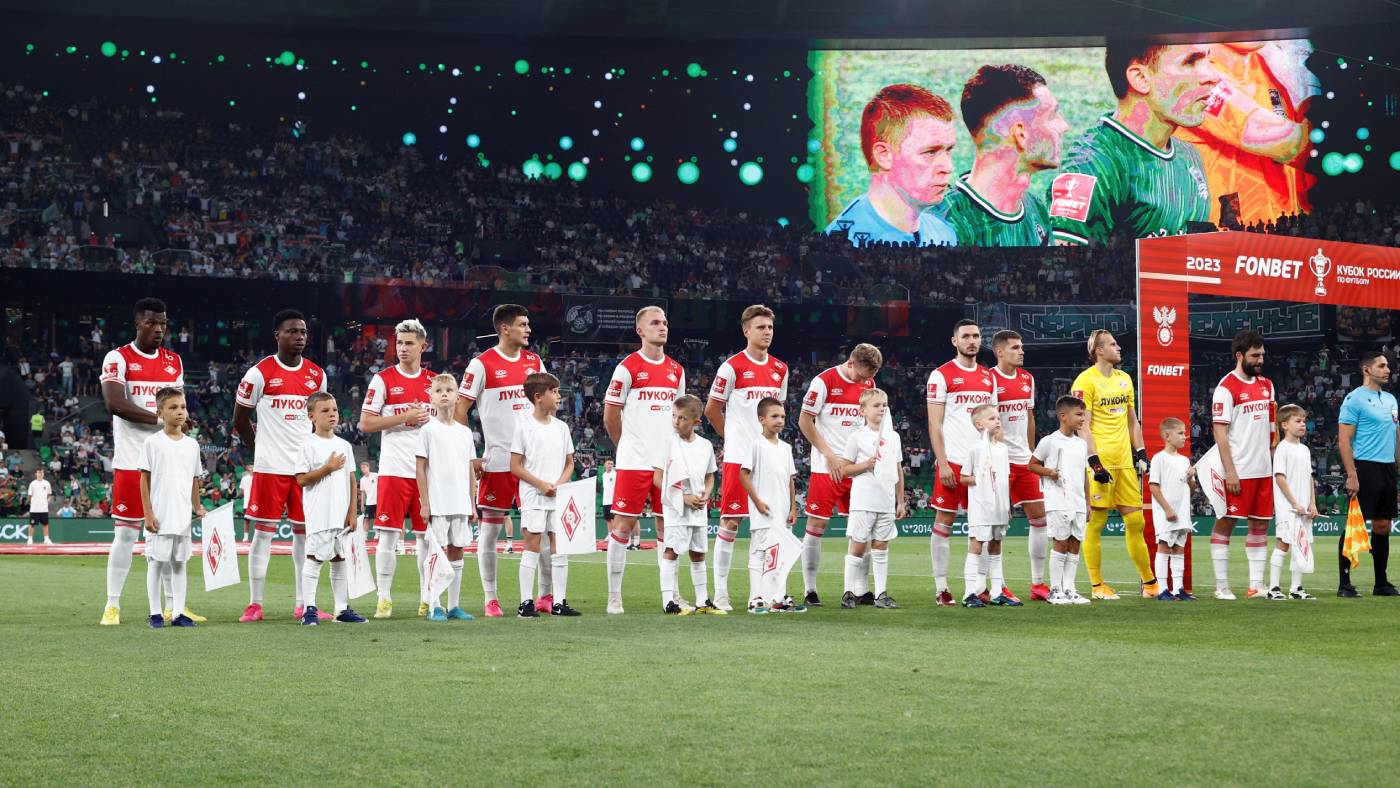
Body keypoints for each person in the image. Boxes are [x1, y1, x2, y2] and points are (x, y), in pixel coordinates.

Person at [1048, 39, 1218, 245]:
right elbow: (1062, 262)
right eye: (1190, 61)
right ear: (1140, 78)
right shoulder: (1090, 168)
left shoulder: (1189, 157)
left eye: (1209, 60)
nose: (1213, 76)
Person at [99, 297, 192, 627]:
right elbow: (114, 403)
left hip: (168, 463)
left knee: (170, 536)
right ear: (138, 323)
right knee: (125, 536)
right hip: (132, 461)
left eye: (163, 323)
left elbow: (176, 405)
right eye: (152, 322)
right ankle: (112, 605)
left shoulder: (173, 361)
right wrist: (160, 419)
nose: (159, 328)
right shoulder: (119, 358)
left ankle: (174, 607)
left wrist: (180, 420)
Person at [232, 308, 329, 623]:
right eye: (291, 331)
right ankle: (255, 604)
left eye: (303, 331)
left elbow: (320, 420)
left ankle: (304, 603)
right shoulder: (259, 373)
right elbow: (240, 419)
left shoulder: (317, 375)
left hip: (305, 470)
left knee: (305, 536)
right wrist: (259, 449)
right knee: (262, 535)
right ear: (277, 335)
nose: (299, 337)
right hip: (270, 468)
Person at [455, 304, 548, 617]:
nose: (528, 329)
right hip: (498, 462)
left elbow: (546, 407)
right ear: (505, 328)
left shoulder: (534, 362)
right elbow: (460, 410)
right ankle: (490, 598)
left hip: (534, 463)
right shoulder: (481, 364)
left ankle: (545, 595)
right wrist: (470, 454)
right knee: (491, 531)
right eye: (523, 324)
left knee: (541, 530)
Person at [1174, 40, 1316, 226]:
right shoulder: (1196, 75)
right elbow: (1284, 142)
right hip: (1224, 230)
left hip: (1281, 225)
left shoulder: (1265, 67)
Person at [603, 306, 686, 615]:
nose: (662, 327)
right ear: (640, 330)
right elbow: (610, 415)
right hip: (634, 462)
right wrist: (625, 447)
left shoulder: (677, 370)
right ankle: (614, 597)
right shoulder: (627, 368)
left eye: (664, 322)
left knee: (669, 528)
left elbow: (680, 416)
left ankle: (672, 595)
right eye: (654, 323)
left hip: (667, 462)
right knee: (623, 526)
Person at [706, 304, 788, 612]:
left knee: (770, 525)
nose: (767, 332)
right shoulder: (732, 367)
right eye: (761, 327)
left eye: (770, 327)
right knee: (730, 522)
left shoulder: (780, 368)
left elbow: (776, 411)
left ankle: (766, 593)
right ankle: (721, 593)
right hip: (740, 458)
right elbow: (712, 409)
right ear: (746, 331)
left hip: (770, 460)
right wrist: (733, 440)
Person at [1071, 329, 1157, 599]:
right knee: (1096, 523)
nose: (1118, 348)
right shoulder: (1085, 381)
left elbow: (1132, 420)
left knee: (1136, 521)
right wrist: (1094, 462)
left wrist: (1141, 452)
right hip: (1100, 463)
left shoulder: (1124, 379)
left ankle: (1150, 584)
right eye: (1113, 344)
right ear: (1099, 350)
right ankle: (1097, 586)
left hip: (1124, 463)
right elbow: (1082, 425)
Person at [359, 318, 436, 619]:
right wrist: (405, 418)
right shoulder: (383, 380)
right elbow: (366, 423)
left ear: (423, 346)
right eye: (399, 343)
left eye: (409, 343)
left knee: (426, 539)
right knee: (388, 537)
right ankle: (384, 598)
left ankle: (427, 598)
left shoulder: (435, 382)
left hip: (427, 473)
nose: (403, 348)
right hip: (393, 470)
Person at [941, 64, 1067, 246]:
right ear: (1021, 134)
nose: (1064, 126)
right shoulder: (945, 225)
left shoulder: (1035, 208)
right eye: (1052, 116)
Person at [797, 343, 883, 606]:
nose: (864, 380)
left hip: (858, 469)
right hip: (827, 467)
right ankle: (810, 590)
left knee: (862, 528)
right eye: (862, 374)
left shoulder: (868, 383)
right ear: (851, 362)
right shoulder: (824, 382)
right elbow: (804, 421)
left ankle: (860, 589)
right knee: (816, 526)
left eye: (870, 376)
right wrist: (830, 455)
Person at [824, 84, 957, 247]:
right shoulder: (841, 244)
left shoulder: (944, 234)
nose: (948, 167)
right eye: (930, 152)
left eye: (948, 150)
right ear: (884, 155)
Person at [926, 319, 996, 605]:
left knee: (982, 526)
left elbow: (993, 422)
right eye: (966, 336)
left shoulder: (988, 376)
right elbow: (935, 422)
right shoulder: (941, 375)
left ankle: (978, 587)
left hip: (982, 464)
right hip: (953, 461)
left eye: (976, 336)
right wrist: (942, 462)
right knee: (944, 521)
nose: (972, 341)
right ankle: (941, 588)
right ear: (954, 341)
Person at [1201, 330, 1275, 600]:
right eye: (1255, 355)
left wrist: (1274, 461)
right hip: (1238, 470)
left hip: (1263, 469)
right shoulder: (1226, 387)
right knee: (1226, 521)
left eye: (1262, 355)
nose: (1260, 360)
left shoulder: (1267, 385)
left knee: (1260, 525)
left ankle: (1256, 585)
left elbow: (1272, 428)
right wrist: (1230, 471)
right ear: (1240, 355)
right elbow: (1220, 433)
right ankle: (1221, 586)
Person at [509, 372, 580, 618]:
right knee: (532, 547)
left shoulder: (562, 428)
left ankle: (559, 602)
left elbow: (570, 463)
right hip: (533, 496)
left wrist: (558, 485)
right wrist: (541, 485)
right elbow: (515, 465)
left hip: (557, 497)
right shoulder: (523, 427)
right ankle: (525, 603)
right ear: (539, 397)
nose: (559, 396)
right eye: (554, 392)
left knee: (559, 548)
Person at [294, 392, 366, 625]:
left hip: (340, 514)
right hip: (319, 513)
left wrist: (352, 512)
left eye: (334, 409)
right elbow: (301, 480)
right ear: (312, 416)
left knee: (339, 558)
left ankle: (341, 609)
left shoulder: (344, 445)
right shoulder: (307, 445)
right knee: (314, 558)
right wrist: (328, 467)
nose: (332, 414)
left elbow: (352, 479)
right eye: (325, 410)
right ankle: (309, 610)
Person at [138, 388, 205, 628]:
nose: (180, 412)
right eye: (173, 407)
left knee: (180, 563)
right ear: (160, 413)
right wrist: (148, 513)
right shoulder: (152, 442)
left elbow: (194, 479)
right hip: (160, 515)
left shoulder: (192, 445)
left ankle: (178, 613)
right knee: (155, 563)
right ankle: (155, 613)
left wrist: (197, 507)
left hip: (182, 516)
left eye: (183, 407)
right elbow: (144, 479)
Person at [415, 374, 478, 621]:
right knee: (436, 554)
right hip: (438, 503)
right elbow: (420, 468)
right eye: (439, 390)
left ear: (457, 396)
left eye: (449, 390)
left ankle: (454, 606)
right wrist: (425, 502)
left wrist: (472, 503)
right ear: (431, 397)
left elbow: (470, 470)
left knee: (457, 552)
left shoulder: (465, 432)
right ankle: (434, 605)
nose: (444, 394)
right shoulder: (427, 430)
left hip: (460, 502)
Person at [1336, 350, 1399, 597]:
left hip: (1387, 467)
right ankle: (1344, 584)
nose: (1387, 370)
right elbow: (1344, 440)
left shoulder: (1391, 399)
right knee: (1355, 524)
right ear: (1367, 370)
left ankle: (1381, 583)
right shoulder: (1354, 399)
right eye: (1381, 366)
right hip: (1365, 466)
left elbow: (1396, 434)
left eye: (1388, 366)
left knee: (1383, 525)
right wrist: (1352, 474)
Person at [990, 330, 1047, 601]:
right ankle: (997, 585)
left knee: (1040, 518)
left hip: (1025, 460)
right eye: (1015, 347)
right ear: (1000, 351)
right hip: (1000, 460)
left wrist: (1032, 452)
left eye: (1021, 347)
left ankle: (1038, 584)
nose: (1021, 351)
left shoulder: (1027, 379)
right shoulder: (989, 379)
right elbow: (987, 421)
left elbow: (1029, 417)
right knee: (997, 525)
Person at [653, 395, 722, 615]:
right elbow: (658, 478)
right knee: (671, 551)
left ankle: (702, 601)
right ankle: (668, 601)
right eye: (674, 416)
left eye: (682, 418)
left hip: (698, 509)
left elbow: (710, 477)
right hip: (676, 509)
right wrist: (683, 498)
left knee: (698, 554)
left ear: (696, 422)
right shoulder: (667, 443)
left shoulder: (705, 445)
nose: (676, 421)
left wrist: (706, 494)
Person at [838, 388, 905, 610]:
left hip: (886, 501)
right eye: (876, 405)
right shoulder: (857, 437)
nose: (882, 409)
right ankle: (848, 593)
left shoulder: (893, 437)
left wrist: (900, 501)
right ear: (863, 411)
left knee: (881, 547)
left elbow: (897, 469)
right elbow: (844, 469)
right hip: (863, 500)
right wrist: (866, 465)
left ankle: (881, 594)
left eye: (884, 405)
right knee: (857, 547)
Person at [740, 397, 802, 613]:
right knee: (759, 552)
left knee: (780, 555)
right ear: (762, 419)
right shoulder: (756, 444)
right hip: (764, 510)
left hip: (782, 511)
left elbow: (790, 479)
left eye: (783, 416)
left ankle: (777, 598)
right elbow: (743, 474)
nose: (780, 420)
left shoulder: (786, 448)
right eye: (774, 416)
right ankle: (755, 597)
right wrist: (757, 502)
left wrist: (792, 507)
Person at [1029, 395, 1092, 605]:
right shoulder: (1049, 441)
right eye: (1079, 414)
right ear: (1063, 416)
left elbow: (1084, 474)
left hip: (1078, 501)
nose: (1083, 418)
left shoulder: (1081, 444)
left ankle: (1070, 589)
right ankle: (1055, 590)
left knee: (1075, 543)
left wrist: (1088, 503)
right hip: (1058, 500)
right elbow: (1032, 465)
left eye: (1083, 414)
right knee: (1060, 542)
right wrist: (1049, 472)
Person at [960, 403, 1018, 608]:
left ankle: (996, 592)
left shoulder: (1003, 449)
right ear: (979, 424)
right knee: (977, 544)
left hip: (999, 506)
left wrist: (1007, 505)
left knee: (996, 545)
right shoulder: (975, 449)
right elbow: (964, 477)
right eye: (992, 418)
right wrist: (980, 480)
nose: (997, 421)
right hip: (981, 506)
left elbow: (1003, 479)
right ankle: (969, 593)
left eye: (998, 418)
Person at [1269, 405, 1319, 600]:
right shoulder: (1282, 448)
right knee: (1283, 543)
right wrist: (1294, 503)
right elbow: (1280, 478)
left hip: (1303, 508)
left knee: (1301, 543)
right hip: (1288, 508)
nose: (1302, 424)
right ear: (1284, 425)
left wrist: (1312, 503)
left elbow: (1309, 478)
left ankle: (1296, 588)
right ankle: (1273, 588)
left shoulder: (1305, 450)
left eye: (1304, 421)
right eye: (1297, 421)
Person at [1149, 418, 1196, 602]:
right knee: (1164, 547)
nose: (1185, 436)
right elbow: (1153, 486)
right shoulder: (1159, 458)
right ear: (1167, 436)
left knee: (1178, 548)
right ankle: (1162, 589)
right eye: (1181, 433)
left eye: (1185, 433)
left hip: (1182, 512)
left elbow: (1191, 489)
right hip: (1166, 514)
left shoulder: (1184, 460)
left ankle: (1178, 589)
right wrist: (1167, 509)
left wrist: (1191, 478)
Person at [26, 468, 51, 545]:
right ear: (36, 474)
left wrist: (45, 501)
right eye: (38, 472)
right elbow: (30, 496)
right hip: (34, 508)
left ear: (43, 474)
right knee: (32, 524)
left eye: (41, 472)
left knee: (45, 524)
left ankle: (46, 539)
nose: (40, 474)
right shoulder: (32, 484)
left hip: (44, 508)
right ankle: (30, 539)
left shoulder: (47, 483)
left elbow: (49, 494)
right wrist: (34, 503)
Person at [358, 461, 377, 538]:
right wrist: (362, 504)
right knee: (366, 519)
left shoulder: (375, 475)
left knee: (378, 519)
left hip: (378, 502)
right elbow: (362, 493)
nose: (363, 469)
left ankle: (377, 533)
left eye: (364, 467)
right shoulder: (362, 480)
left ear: (368, 467)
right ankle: (364, 536)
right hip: (369, 503)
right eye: (362, 468)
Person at [238, 471, 253, 543]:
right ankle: (245, 537)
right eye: (250, 467)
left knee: (259, 521)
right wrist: (247, 496)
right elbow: (242, 490)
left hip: (256, 504)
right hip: (247, 503)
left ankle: (257, 538)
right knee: (247, 521)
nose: (252, 469)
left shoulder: (258, 478)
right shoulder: (244, 478)